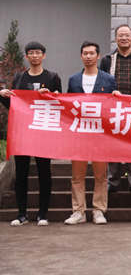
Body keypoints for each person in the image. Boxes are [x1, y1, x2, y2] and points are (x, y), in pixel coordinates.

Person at [1, 42, 61, 227]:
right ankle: (22, 214)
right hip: (23, 132)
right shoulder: (19, 78)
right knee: (21, 174)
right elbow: (14, 106)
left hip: (44, 131)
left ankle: (43, 214)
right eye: (31, 53)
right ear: (26, 57)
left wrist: (51, 94)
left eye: (38, 52)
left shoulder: (52, 77)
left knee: (44, 173)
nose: (35, 55)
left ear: (44, 55)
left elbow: (60, 103)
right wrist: (3, 95)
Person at [64, 41, 117, 226]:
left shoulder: (108, 80)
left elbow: (114, 107)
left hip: (100, 134)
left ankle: (99, 210)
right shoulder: (73, 80)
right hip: (79, 134)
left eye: (91, 53)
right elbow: (68, 104)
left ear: (98, 56)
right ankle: (78, 211)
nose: (88, 56)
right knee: (77, 176)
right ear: (81, 56)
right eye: (85, 53)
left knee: (100, 175)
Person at [100, 24, 131, 194]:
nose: (124, 38)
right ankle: (112, 181)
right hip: (112, 108)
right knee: (112, 145)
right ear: (115, 38)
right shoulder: (107, 59)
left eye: (127, 35)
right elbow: (102, 81)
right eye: (120, 35)